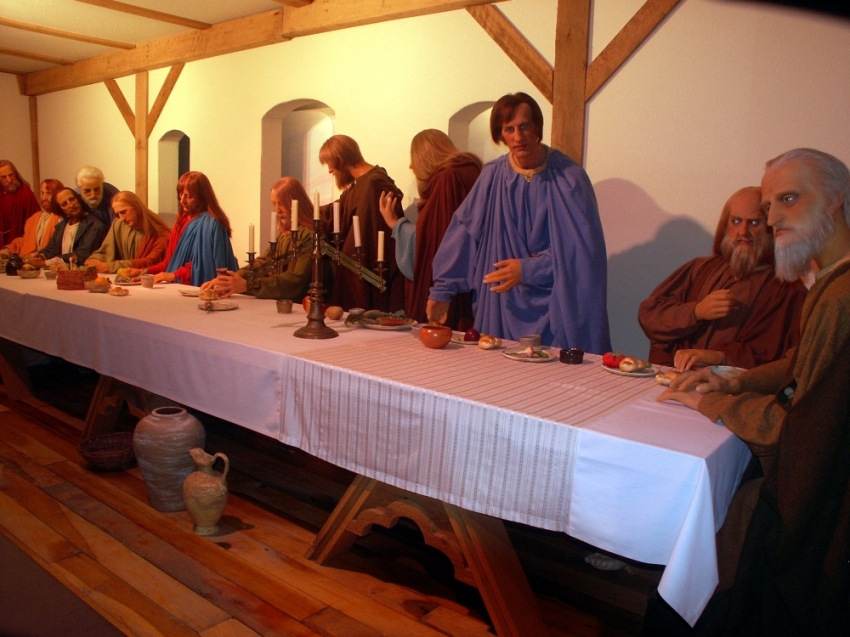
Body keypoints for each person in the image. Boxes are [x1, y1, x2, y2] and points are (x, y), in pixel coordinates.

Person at [651, 149, 850, 636]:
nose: (772, 218)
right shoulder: (826, 278)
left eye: (788, 199)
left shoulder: (835, 295)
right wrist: (731, 379)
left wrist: (711, 401)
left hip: (812, 513)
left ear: (834, 202)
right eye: (767, 207)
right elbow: (798, 363)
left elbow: (802, 427)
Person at [426, 93, 610, 352]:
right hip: (502, 304)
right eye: (509, 129)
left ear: (537, 128)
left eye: (524, 126)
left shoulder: (570, 179)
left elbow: (583, 255)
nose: (518, 136)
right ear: (500, 134)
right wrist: (442, 290)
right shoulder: (492, 177)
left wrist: (528, 270)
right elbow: (464, 233)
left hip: (557, 309)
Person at [638, 187, 807, 370]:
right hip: (672, 379)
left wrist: (719, 357)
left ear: (771, 227)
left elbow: (776, 356)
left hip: (730, 393)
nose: (743, 231)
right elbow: (650, 315)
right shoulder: (700, 268)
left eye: (754, 223)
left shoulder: (787, 289)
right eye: (735, 221)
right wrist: (696, 311)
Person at [378, 129, 481, 329]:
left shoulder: (448, 178)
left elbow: (439, 241)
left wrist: (395, 224)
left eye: (413, 158)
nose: (410, 165)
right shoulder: (470, 171)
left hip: (451, 292)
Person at [319, 135, 405, 312]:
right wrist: (305, 212)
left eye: (330, 164)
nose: (329, 170)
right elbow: (336, 212)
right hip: (357, 269)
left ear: (341, 160)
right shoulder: (360, 184)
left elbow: (370, 234)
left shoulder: (373, 183)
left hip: (368, 272)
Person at [200, 177, 314, 300]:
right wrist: (230, 280)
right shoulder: (284, 235)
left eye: (281, 203)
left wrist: (248, 285)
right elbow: (263, 263)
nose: (277, 210)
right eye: (274, 204)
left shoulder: (309, 235)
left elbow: (295, 281)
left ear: (295, 203)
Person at [131, 171, 238, 286]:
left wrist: (176, 275)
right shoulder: (180, 222)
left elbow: (208, 265)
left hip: (202, 288)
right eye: (180, 194)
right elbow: (170, 262)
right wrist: (144, 271)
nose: (182, 201)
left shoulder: (213, 223)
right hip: (177, 286)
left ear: (202, 197)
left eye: (188, 196)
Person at [84, 191, 171, 273]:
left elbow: (151, 261)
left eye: (123, 212)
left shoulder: (160, 232)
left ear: (136, 207)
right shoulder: (119, 224)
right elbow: (106, 251)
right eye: (117, 214)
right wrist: (95, 260)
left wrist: (110, 267)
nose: (121, 218)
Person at [37, 187, 107, 265]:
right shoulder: (61, 226)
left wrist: (46, 263)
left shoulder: (95, 225)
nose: (71, 205)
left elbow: (82, 254)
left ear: (78, 199)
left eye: (72, 199)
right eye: (64, 204)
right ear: (60, 209)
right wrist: (39, 257)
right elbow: (51, 249)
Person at [1, 178, 64, 258]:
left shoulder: (62, 219)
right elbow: (26, 242)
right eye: (42, 193)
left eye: (49, 194)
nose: (44, 197)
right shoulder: (35, 217)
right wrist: (9, 249)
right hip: (28, 262)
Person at [0, 160, 41, 246]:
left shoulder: (26, 194)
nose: (9, 180)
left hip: (20, 244)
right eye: (4, 177)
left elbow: (34, 223)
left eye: (11, 175)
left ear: (16, 174)